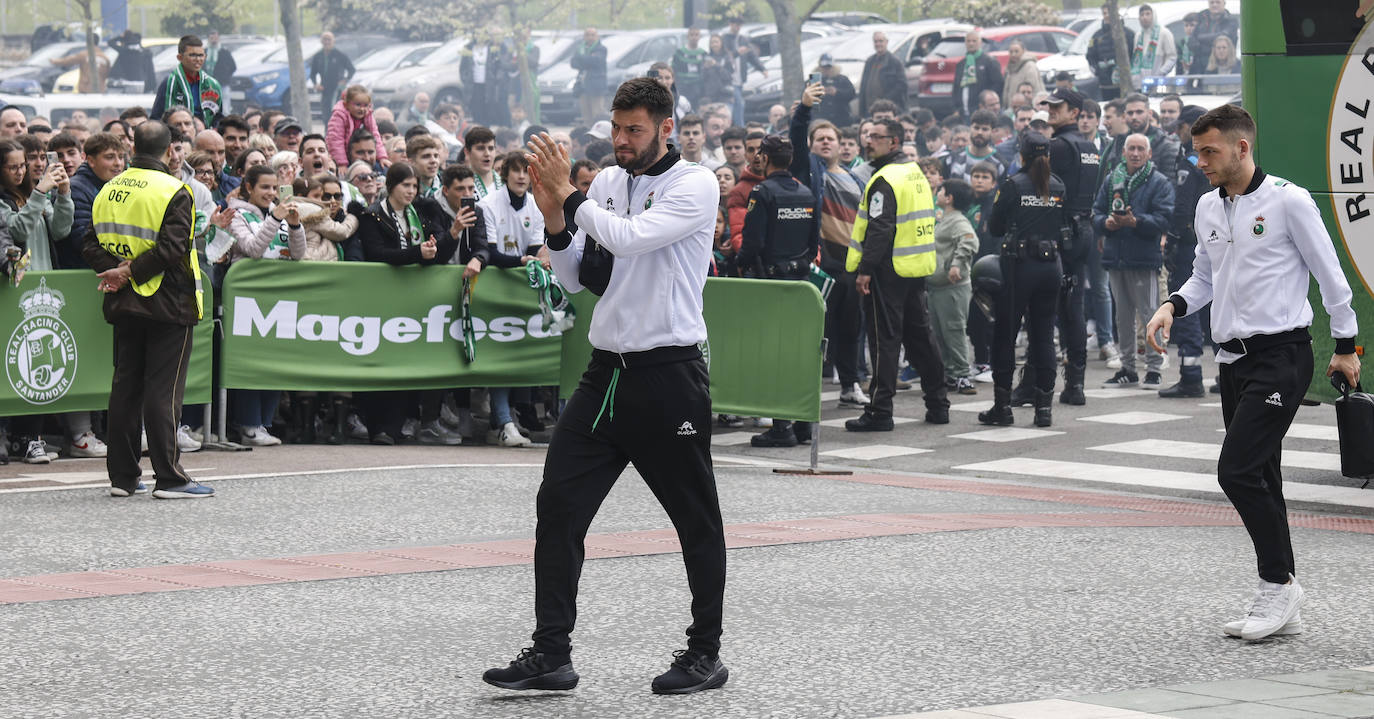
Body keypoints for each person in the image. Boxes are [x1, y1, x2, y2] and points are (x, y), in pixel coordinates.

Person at [484, 77, 727, 696]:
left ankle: (705, 654)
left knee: (694, 519)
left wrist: (570, 193)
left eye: (635, 130)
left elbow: (630, 239)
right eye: (616, 128)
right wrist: (555, 217)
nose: (621, 140)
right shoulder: (612, 183)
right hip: (606, 375)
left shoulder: (695, 184)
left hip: (669, 375)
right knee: (558, 506)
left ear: (666, 128)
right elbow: (579, 276)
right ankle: (551, 653)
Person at [1145, 104, 1359, 641]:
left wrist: (1346, 345)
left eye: (1209, 151)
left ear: (1242, 147)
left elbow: (1330, 277)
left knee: (1235, 472)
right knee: (1263, 475)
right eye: (1196, 152)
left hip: (1283, 356)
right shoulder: (1206, 207)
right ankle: (1282, 596)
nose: (1200, 162)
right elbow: (1203, 276)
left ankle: (1278, 586)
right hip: (1234, 360)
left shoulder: (1289, 201)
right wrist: (1172, 305)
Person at [81, 121, 211, 498]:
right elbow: (172, 250)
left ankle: (123, 478)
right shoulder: (175, 189)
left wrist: (118, 273)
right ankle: (170, 478)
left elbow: (88, 242)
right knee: (163, 392)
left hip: (123, 301)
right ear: (171, 151)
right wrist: (129, 272)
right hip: (168, 301)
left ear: (132, 147)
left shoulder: (109, 188)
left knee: (125, 388)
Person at [844, 117, 948, 431]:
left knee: (884, 343)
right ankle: (938, 403)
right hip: (913, 268)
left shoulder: (884, 179)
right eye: (868, 135)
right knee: (921, 339)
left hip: (886, 272)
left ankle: (879, 412)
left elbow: (879, 229)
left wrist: (865, 270)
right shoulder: (914, 172)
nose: (868, 141)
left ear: (894, 142)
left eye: (877, 137)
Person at [352, 161, 458, 444]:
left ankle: (397, 426)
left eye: (414, 186)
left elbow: (437, 254)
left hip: (416, 298)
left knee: (406, 363)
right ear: (391, 186)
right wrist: (416, 254)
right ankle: (377, 425)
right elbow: (377, 254)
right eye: (405, 186)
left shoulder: (423, 211)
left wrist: (452, 235)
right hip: (382, 297)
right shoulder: (373, 214)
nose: (411, 191)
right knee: (381, 363)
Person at [978, 132, 1067, 428]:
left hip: (1019, 266)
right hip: (1051, 265)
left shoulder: (1013, 185)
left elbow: (995, 226)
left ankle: (1002, 408)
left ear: (1022, 155)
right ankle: (1044, 410)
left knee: (1005, 335)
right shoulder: (1058, 186)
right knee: (1043, 337)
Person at [790, 86, 867, 407]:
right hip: (820, 265)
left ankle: (850, 386)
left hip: (850, 266)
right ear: (810, 146)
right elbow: (795, 138)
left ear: (840, 145)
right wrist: (804, 110)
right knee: (813, 331)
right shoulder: (810, 172)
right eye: (818, 137)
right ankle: (804, 392)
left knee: (850, 330)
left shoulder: (856, 180)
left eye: (830, 138)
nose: (825, 141)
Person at [738, 134, 817, 446]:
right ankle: (804, 424)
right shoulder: (806, 192)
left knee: (774, 354)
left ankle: (781, 426)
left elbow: (753, 241)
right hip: (801, 283)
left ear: (765, 159)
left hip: (770, 283)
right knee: (799, 354)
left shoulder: (762, 192)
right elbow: (814, 245)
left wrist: (740, 262)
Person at [1094, 133, 1175, 389]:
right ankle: (1127, 368)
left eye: (1141, 149)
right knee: (1122, 317)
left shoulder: (1159, 182)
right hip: (1116, 258)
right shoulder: (1112, 179)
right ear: (1124, 152)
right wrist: (1104, 223)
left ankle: (1153, 368)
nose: (1136, 153)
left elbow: (1164, 219)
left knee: (1150, 314)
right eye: (1131, 148)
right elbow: (1095, 212)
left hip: (1144, 259)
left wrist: (1135, 222)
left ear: (1149, 154)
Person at [477, 151, 545, 447]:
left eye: (526, 171)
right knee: (500, 356)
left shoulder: (536, 205)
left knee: (523, 353)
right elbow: (490, 253)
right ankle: (503, 421)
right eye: (515, 171)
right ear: (504, 174)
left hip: (522, 286)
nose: (521, 176)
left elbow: (537, 247)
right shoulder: (488, 204)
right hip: (494, 287)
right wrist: (522, 261)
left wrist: (528, 260)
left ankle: (508, 418)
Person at [1157, 104, 1211, 399]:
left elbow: (1182, 206)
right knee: (1217, 303)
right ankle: (1224, 370)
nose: (1176, 133)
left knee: (1186, 303)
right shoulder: (1215, 156)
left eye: (1180, 128)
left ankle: (1191, 375)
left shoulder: (1189, 161)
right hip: (1214, 237)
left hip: (1190, 241)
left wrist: (1173, 236)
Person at [927, 178, 980, 396]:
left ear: (949, 198)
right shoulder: (945, 219)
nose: (937, 193)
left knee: (954, 331)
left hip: (952, 288)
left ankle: (962, 375)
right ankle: (949, 373)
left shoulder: (958, 221)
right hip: (937, 287)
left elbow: (969, 241)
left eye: (941, 191)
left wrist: (957, 264)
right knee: (940, 333)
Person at [150, 36, 223, 130]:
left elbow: (218, 118)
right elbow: (156, 118)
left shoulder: (213, 85)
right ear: (180, 57)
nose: (198, 59)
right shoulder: (169, 83)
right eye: (192, 55)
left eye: (201, 55)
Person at [327, 85, 389, 171]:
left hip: (355, 152)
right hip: (342, 157)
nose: (362, 109)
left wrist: (382, 156)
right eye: (358, 105)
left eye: (366, 105)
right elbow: (335, 140)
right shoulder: (339, 116)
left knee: (382, 168)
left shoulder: (368, 114)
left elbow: (375, 136)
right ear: (346, 104)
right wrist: (341, 163)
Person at [1087, 6, 1136, 100]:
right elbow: (1090, 57)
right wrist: (1098, 71)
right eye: (1105, 13)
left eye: (1110, 13)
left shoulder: (1129, 34)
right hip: (1105, 85)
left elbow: (1134, 57)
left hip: (1124, 83)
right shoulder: (1096, 36)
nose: (1107, 16)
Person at [953, 30, 1003, 119]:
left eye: (974, 41)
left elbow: (998, 84)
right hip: (963, 112)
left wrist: (985, 103)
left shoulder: (989, 62)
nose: (971, 44)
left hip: (981, 112)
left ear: (980, 43)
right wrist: (956, 108)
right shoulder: (961, 64)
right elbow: (956, 88)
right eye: (968, 41)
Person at [859, 32, 906, 117]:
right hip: (870, 109)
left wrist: (885, 100)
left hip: (887, 110)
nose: (878, 44)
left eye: (881, 41)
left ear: (886, 42)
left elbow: (902, 85)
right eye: (876, 41)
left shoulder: (894, 62)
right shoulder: (870, 61)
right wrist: (861, 111)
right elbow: (863, 86)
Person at [309, 32, 354, 114]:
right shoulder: (318, 56)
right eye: (324, 39)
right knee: (326, 114)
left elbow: (351, 69)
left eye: (329, 40)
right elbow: (312, 73)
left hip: (337, 89)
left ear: (333, 41)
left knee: (336, 112)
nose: (327, 42)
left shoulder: (340, 55)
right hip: (324, 89)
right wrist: (316, 84)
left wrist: (345, 80)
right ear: (321, 41)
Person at [1189, 0, 1238, 75]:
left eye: (1218, 2)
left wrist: (1201, 38)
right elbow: (1192, 42)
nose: (1214, 5)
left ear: (1224, 3)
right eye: (1212, 2)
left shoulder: (1231, 21)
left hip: (1224, 66)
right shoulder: (1200, 19)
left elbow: (1224, 37)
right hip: (1200, 65)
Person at [1131, 5, 1177, 78]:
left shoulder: (1164, 33)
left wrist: (1161, 72)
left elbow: (1172, 57)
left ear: (1154, 15)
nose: (1144, 17)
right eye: (1142, 14)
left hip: (1157, 81)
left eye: (1148, 14)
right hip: (1138, 83)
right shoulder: (1138, 35)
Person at [671, 27, 708, 110]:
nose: (694, 37)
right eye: (692, 35)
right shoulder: (680, 53)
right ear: (688, 37)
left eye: (696, 35)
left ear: (699, 37)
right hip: (683, 87)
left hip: (697, 88)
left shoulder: (703, 54)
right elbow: (673, 70)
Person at [1001, 41, 1043, 111]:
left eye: (1016, 51)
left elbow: (1033, 89)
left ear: (1023, 51)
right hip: (1012, 108)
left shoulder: (1029, 66)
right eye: (1011, 52)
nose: (1013, 54)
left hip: (1025, 109)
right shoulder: (1010, 67)